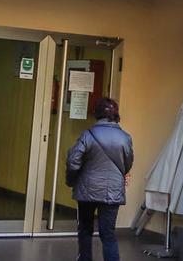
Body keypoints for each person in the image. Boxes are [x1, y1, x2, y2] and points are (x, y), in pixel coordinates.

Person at [66, 97, 133, 261]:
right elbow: (128, 162)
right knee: (108, 233)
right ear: (116, 115)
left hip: (87, 189)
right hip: (113, 191)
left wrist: (72, 180)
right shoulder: (125, 138)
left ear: (97, 113)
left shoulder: (87, 135)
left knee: (85, 229)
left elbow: (73, 160)